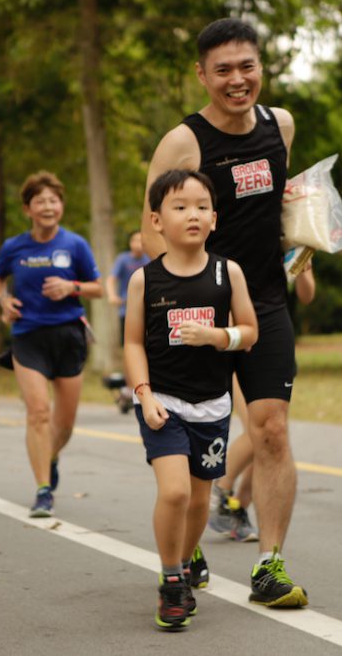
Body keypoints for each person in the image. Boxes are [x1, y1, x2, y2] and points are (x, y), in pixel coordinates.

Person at [141, 18, 308, 607]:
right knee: (196, 441)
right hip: (194, 310)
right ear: (201, 75)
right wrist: (192, 307)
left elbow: (282, 208)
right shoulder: (182, 145)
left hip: (263, 300)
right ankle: (186, 549)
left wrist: (302, 256)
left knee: (272, 428)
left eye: (247, 67)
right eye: (223, 70)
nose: (238, 81)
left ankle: (269, 565)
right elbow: (150, 236)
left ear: (261, 66)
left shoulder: (280, 126)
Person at [126, 169, 258, 629]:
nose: (193, 214)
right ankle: (170, 581)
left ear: (215, 218)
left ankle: (183, 564)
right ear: (157, 220)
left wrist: (217, 335)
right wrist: (142, 395)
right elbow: (133, 344)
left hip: (213, 407)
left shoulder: (228, 272)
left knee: (200, 501)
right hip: (163, 402)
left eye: (202, 206)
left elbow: (250, 332)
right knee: (176, 492)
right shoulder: (145, 280)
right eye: (180, 207)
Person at [0, 171, 102, 518]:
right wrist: (4, 301)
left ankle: (50, 456)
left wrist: (72, 288)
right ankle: (42, 490)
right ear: (28, 209)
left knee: (64, 424)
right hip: (28, 336)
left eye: (54, 200)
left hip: (68, 336)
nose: (48, 206)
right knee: (38, 412)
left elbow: (99, 288)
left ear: (61, 206)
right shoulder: (14, 247)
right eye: (40, 201)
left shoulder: (75, 245)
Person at [209, 263, 316, 542]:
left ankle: (236, 508)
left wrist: (303, 268)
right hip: (239, 342)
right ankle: (220, 490)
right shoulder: (230, 260)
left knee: (272, 437)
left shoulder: (288, 242)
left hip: (273, 341)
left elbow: (307, 295)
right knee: (259, 432)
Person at [106, 231, 151, 345]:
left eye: (141, 240)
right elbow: (111, 279)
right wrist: (112, 296)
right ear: (131, 243)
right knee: (129, 344)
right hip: (126, 310)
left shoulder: (150, 259)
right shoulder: (123, 259)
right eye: (135, 240)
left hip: (148, 309)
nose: (138, 243)